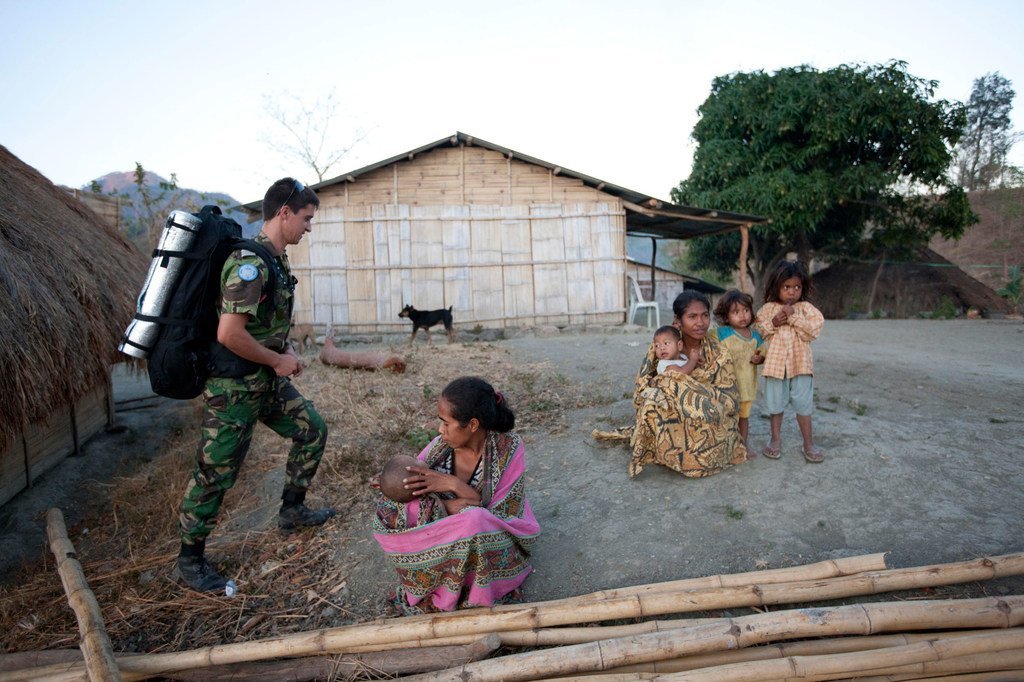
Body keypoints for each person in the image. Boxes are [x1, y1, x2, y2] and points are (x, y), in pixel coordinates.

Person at [177, 178, 336, 593]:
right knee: (216, 472)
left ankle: (292, 511)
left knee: (312, 430)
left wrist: (279, 358)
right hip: (233, 388)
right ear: (284, 213)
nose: (309, 227)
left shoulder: (275, 260)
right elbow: (229, 333)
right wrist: (278, 360)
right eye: (306, 218)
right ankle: (190, 560)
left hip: (263, 382)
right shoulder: (251, 264)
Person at [373, 376, 539, 614]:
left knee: (474, 521)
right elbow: (411, 485)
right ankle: (435, 583)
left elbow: (501, 513)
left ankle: (475, 586)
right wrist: (444, 505)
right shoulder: (441, 446)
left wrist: (450, 483)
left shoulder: (508, 449)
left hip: (497, 535)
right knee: (398, 505)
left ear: (472, 425)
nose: (440, 430)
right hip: (453, 524)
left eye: (446, 423)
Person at [630, 290, 748, 478]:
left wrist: (698, 392)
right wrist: (667, 383)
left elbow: (729, 396)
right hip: (672, 411)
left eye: (704, 316)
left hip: (707, 411)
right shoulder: (663, 345)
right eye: (692, 316)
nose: (700, 323)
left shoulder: (717, 351)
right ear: (678, 320)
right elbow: (644, 384)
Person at [755, 260, 825, 463]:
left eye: (797, 287)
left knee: (804, 407)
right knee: (775, 407)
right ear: (776, 286)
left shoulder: (806, 309)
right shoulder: (768, 309)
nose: (792, 292)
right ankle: (775, 439)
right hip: (775, 368)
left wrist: (793, 317)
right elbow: (759, 330)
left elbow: (812, 332)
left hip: (801, 367)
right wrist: (774, 322)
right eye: (786, 287)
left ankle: (808, 443)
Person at [712, 290, 765, 452]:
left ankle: (743, 444)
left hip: (746, 388)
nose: (743, 316)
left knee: (743, 418)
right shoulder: (721, 333)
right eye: (736, 312)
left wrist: (760, 359)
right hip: (725, 388)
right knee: (725, 418)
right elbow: (706, 344)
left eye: (746, 310)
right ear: (726, 317)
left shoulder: (756, 336)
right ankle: (723, 445)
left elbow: (763, 354)